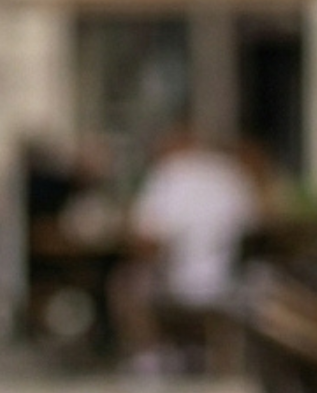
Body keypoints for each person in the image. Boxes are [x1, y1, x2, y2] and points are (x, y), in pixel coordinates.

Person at [107, 123, 259, 377]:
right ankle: (196, 352)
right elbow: (255, 224)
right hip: (231, 279)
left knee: (125, 283)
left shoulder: (169, 175)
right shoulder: (230, 172)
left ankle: (152, 356)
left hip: (182, 282)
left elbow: (146, 237)